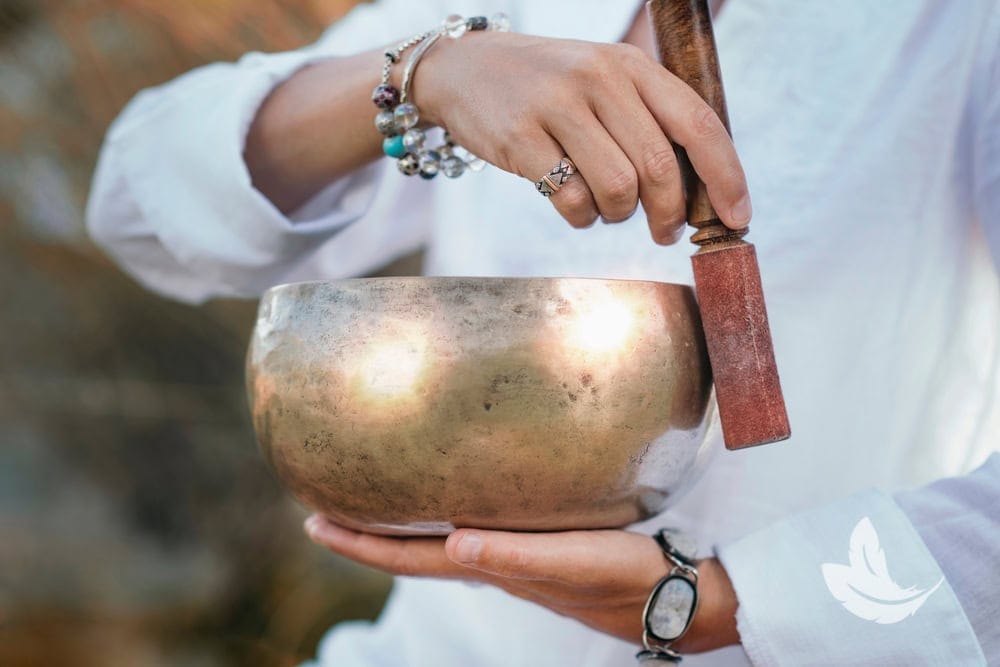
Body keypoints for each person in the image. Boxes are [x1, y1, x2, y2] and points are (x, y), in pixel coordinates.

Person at [86, 0, 999, 664]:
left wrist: (730, 604)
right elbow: (136, 208)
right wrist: (424, 73)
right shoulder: (509, 10)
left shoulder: (957, 29)